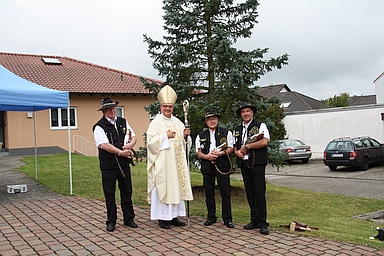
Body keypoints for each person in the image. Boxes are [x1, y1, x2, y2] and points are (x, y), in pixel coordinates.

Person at [146, 85, 194, 229]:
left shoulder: (178, 122)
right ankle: (162, 217)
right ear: (160, 107)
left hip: (176, 164)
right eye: (165, 106)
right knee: (164, 187)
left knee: (176, 187)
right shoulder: (155, 123)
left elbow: (186, 144)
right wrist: (164, 137)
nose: (168, 109)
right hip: (163, 163)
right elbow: (150, 142)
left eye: (170, 106)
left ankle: (174, 216)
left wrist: (186, 136)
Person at [92, 97, 138, 232]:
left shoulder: (123, 122)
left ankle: (129, 218)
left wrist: (130, 145)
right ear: (104, 111)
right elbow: (104, 145)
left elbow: (133, 136)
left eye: (113, 108)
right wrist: (119, 152)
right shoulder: (99, 126)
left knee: (127, 191)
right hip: (108, 165)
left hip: (123, 163)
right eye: (109, 109)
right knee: (110, 193)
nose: (112, 110)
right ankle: (111, 221)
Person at [233, 102, 270, 235]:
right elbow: (235, 146)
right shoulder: (237, 129)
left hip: (257, 163)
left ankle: (263, 223)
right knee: (250, 192)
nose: (246, 114)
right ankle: (254, 220)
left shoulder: (260, 125)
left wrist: (247, 147)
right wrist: (237, 152)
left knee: (259, 192)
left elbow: (264, 141)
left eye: (248, 111)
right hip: (244, 163)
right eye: (243, 112)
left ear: (252, 113)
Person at [195, 110, 234, 228]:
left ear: (217, 120)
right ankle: (211, 217)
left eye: (214, 118)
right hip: (208, 167)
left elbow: (231, 148)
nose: (212, 121)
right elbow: (198, 153)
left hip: (222, 166)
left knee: (225, 193)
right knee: (209, 193)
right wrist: (207, 156)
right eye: (209, 119)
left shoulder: (226, 132)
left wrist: (220, 153)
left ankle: (227, 219)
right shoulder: (200, 136)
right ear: (206, 122)